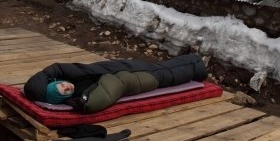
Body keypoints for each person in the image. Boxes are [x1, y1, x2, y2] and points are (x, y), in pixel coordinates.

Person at [23, 53, 207, 113]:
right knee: (166, 73)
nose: (67, 87)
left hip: (129, 70)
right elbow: (109, 89)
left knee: (164, 70)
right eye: (63, 91)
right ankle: (197, 64)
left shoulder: (74, 77)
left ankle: (196, 62)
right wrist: (84, 102)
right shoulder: (80, 96)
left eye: (61, 84)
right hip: (134, 76)